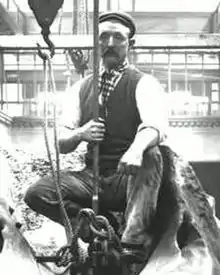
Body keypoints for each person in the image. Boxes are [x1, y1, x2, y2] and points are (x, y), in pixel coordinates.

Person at [24, 11, 168, 263]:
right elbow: (62, 143)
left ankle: (131, 241)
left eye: (118, 37)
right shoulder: (80, 88)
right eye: (104, 37)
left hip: (129, 177)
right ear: (96, 42)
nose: (110, 43)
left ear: (129, 44)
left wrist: (135, 150)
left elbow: (155, 126)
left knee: (152, 154)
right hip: (94, 177)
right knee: (38, 193)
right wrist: (81, 133)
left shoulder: (144, 83)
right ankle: (98, 226)